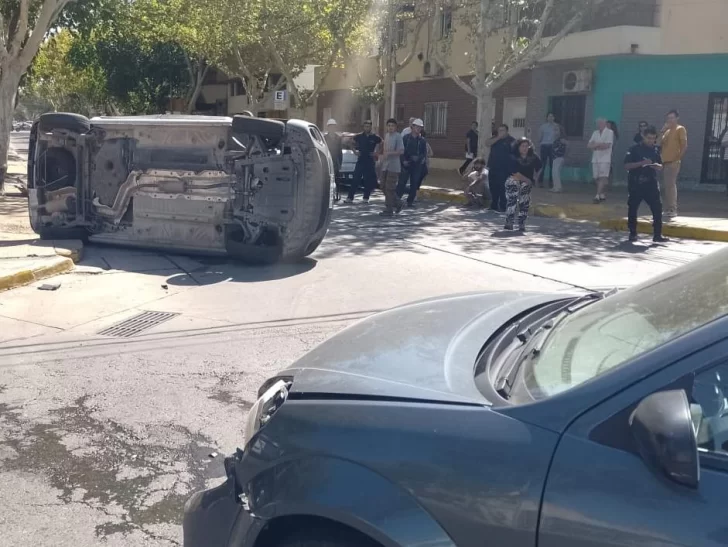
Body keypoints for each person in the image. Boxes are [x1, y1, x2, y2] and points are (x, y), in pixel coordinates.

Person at [624, 125, 670, 244]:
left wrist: (657, 166)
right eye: (649, 138)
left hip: (651, 183)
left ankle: (657, 235)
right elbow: (627, 166)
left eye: (653, 138)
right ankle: (633, 233)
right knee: (633, 208)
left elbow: (660, 166)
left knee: (657, 208)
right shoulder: (634, 149)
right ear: (643, 137)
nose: (651, 141)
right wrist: (642, 163)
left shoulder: (655, 149)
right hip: (636, 182)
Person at [504, 138, 542, 232]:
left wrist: (536, 177)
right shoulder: (512, 157)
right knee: (512, 200)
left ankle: (521, 224)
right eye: (522, 146)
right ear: (518, 147)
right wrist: (528, 180)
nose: (525, 148)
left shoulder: (533, 157)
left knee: (524, 202)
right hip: (514, 179)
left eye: (526, 146)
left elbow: (540, 166)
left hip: (526, 182)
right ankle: (509, 222)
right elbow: (514, 172)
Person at [658, 109, 688, 220]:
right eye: (668, 118)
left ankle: (672, 209)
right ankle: (668, 208)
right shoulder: (667, 131)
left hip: (673, 162)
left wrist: (678, 158)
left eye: (672, 117)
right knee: (667, 185)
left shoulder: (680, 129)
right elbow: (658, 144)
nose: (670, 120)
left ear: (677, 118)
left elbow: (684, 145)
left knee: (670, 185)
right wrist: (662, 131)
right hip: (665, 161)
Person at [345, 120, 382, 204]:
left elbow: (382, 143)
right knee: (355, 179)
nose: (367, 128)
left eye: (368, 126)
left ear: (371, 127)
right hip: (361, 160)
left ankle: (366, 198)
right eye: (365, 126)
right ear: (363, 127)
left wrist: (377, 153)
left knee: (367, 180)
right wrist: (355, 151)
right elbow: (350, 142)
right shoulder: (359, 136)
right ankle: (350, 198)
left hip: (370, 160)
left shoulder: (374, 137)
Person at [396, 118, 428, 209]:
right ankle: (396, 200)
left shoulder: (422, 140)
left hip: (417, 165)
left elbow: (424, 153)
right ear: (412, 127)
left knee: (414, 183)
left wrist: (420, 159)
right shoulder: (406, 138)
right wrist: (403, 161)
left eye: (420, 127)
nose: (418, 129)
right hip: (406, 164)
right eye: (416, 127)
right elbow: (401, 151)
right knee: (402, 183)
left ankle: (410, 201)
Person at [485, 124, 516, 212]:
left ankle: (503, 206)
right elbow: (487, 143)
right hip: (493, 166)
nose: (500, 132)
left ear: (507, 131)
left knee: (503, 188)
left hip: (505, 169)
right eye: (499, 130)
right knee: (493, 187)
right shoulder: (495, 138)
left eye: (502, 130)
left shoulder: (512, 141)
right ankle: (493, 205)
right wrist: (498, 137)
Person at [378, 118, 404, 217]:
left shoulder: (398, 137)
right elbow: (384, 150)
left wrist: (389, 153)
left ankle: (389, 209)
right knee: (383, 186)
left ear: (396, 127)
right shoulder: (387, 136)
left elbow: (401, 151)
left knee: (389, 188)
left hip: (394, 166)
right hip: (385, 165)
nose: (390, 128)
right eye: (389, 126)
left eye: (392, 126)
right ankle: (398, 203)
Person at [588, 117, 615, 203]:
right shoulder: (595, 133)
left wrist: (595, 146)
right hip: (595, 158)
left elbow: (607, 146)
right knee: (596, 177)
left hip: (605, 158)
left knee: (602, 177)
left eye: (600, 123)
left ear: (605, 124)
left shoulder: (610, 132)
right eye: (598, 123)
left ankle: (597, 195)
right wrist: (599, 145)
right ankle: (602, 193)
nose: (599, 125)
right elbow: (589, 145)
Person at [324, 119, 343, 201]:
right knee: (328, 179)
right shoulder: (324, 138)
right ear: (328, 128)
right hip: (327, 161)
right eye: (330, 127)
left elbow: (340, 151)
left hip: (335, 161)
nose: (332, 128)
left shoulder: (338, 138)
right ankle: (327, 195)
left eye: (333, 127)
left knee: (336, 179)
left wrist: (340, 163)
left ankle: (336, 194)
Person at [537, 113, 558, 188]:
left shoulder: (556, 126)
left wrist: (556, 130)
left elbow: (557, 136)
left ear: (554, 118)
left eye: (552, 116)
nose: (550, 117)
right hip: (544, 146)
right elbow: (540, 137)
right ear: (547, 118)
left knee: (552, 164)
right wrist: (539, 143)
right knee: (543, 164)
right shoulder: (543, 126)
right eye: (549, 116)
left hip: (552, 146)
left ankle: (551, 182)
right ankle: (540, 181)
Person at [551, 125, 567, 193]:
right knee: (554, 173)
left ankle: (558, 188)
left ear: (560, 131)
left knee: (556, 172)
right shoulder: (556, 139)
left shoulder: (561, 139)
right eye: (554, 130)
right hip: (555, 158)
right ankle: (555, 187)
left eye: (557, 130)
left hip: (559, 158)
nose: (555, 132)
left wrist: (565, 154)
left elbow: (568, 145)